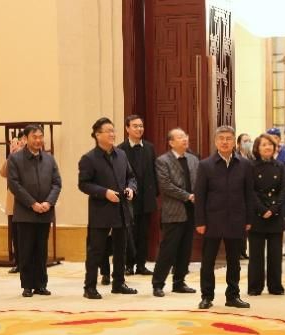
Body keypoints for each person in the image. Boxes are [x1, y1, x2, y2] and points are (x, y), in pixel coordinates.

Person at [195, 125, 255, 309]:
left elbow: (249, 194)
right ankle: (206, 296)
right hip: (212, 220)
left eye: (228, 138)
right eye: (221, 138)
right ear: (215, 142)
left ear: (234, 142)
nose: (225, 142)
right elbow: (200, 195)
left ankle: (233, 296)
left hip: (237, 219)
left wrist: (249, 219)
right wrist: (200, 221)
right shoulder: (205, 165)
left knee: (234, 261)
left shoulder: (245, 165)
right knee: (208, 261)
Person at [78, 117, 138, 299]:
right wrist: (104, 192)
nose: (112, 134)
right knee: (96, 250)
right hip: (101, 210)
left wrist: (131, 189)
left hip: (121, 209)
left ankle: (118, 283)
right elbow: (83, 184)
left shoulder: (121, 155)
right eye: (108, 131)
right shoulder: (89, 158)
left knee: (121, 249)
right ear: (98, 135)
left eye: (113, 130)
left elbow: (131, 176)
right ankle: (89, 287)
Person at [7, 124, 62, 297]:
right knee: (26, 250)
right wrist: (32, 203)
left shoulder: (49, 159)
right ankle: (27, 285)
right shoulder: (15, 159)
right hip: (25, 213)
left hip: (45, 211)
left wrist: (48, 202)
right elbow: (14, 184)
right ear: (26, 138)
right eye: (34, 137)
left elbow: (57, 183)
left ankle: (41, 284)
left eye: (40, 137)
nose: (38, 140)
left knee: (41, 250)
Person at [151, 128, 199, 297]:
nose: (184, 139)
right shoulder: (163, 161)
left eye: (185, 136)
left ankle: (179, 282)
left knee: (185, 249)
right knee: (168, 250)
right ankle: (158, 283)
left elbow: (199, 181)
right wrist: (188, 196)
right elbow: (165, 186)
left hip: (191, 211)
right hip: (174, 211)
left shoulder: (193, 159)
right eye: (180, 137)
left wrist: (198, 195)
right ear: (171, 142)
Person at [118, 114, 158, 276]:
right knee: (130, 234)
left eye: (141, 126)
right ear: (127, 128)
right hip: (129, 197)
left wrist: (155, 192)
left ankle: (141, 265)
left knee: (144, 233)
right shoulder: (120, 149)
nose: (139, 129)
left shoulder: (149, 147)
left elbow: (154, 171)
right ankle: (129, 265)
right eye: (135, 126)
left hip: (147, 197)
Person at [248, 134, 285, 296]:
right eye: (264, 145)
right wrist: (262, 209)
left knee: (275, 254)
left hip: (275, 214)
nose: (267, 147)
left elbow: (283, 190)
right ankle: (255, 287)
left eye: (270, 144)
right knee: (256, 254)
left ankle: (275, 286)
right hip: (257, 214)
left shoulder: (280, 166)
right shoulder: (250, 166)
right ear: (257, 148)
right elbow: (250, 191)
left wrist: (274, 208)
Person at [0, 130, 26, 274]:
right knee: (15, 234)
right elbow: (3, 173)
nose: (20, 143)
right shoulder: (13, 157)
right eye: (19, 140)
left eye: (22, 140)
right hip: (13, 203)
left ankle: (28, 263)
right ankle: (18, 262)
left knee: (27, 235)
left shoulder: (31, 156)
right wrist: (11, 155)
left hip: (27, 202)